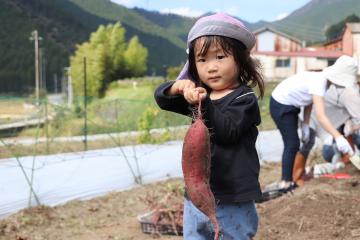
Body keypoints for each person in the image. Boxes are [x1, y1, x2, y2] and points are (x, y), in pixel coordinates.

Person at [154, 12, 264, 240]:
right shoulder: (199, 98)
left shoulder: (244, 99)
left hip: (232, 195)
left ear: (241, 59)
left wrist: (203, 101)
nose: (211, 67)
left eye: (220, 57)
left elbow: (228, 131)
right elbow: (163, 101)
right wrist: (175, 88)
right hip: (196, 194)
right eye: (202, 60)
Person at [268, 55, 357, 190]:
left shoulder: (323, 81)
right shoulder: (320, 81)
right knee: (292, 144)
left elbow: (308, 101)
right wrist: (338, 137)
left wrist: (305, 124)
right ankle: (285, 182)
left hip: (291, 106)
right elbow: (321, 116)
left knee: (296, 143)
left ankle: (289, 180)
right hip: (281, 105)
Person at [292, 72, 360, 184]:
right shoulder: (346, 97)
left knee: (353, 139)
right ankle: (302, 175)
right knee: (331, 151)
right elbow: (346, 133)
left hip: (334, 137)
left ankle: (336, 163)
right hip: (330, 147)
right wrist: (349, 154)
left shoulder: (345, 97)